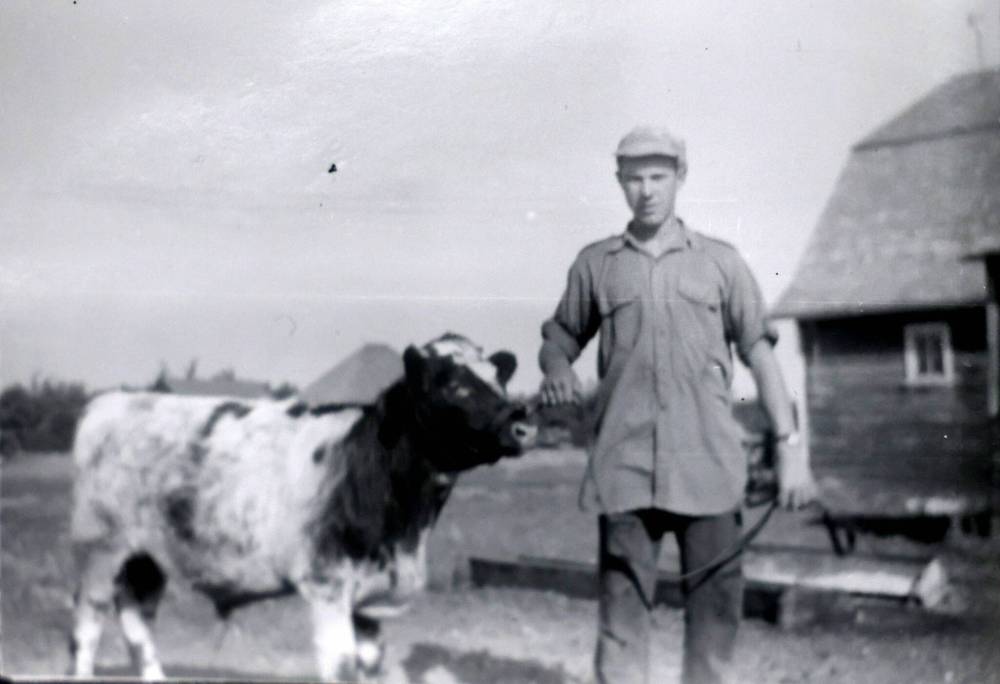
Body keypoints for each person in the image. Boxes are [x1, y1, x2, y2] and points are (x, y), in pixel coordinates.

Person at [538, 125, 817, 684]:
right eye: (634, 178)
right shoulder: (596, 265)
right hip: (625, 469)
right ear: (620, 183)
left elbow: (761, 357)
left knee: (715, 626)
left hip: (708, 467)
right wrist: (557, 368)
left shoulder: (721, 263)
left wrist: (792, 449)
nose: (647, 190)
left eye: (658, 177)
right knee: (621, 627)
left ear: (680, 179)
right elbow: (559, 338)